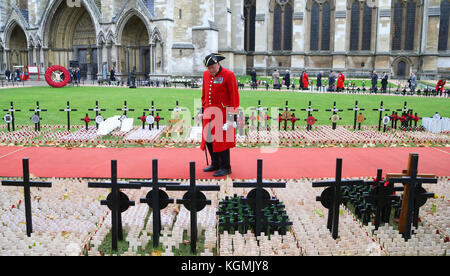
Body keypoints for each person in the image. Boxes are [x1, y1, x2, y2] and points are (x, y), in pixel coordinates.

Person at [201, 53, 240, 177]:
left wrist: (231, 118)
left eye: (213, 67)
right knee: (209, 139)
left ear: (218, 64)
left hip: (223, 113)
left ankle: (226, 167)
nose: (211, 70)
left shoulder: (229, 75)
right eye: (209, 68)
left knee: (222, 140)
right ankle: (215, 163)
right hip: (209, 112)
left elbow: (234, 97)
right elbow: (204, 94)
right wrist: (202, 110)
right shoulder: (206, 74)